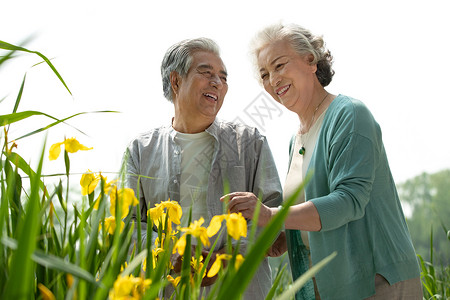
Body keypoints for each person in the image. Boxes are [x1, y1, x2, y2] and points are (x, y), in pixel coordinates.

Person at [223, 23, 422, 300]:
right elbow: (313, 212)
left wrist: (272, 215)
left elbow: (347, 201)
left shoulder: (349, 114)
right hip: (328, 285)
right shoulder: (297, 140)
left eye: (279, 65)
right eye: (265, 75)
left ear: (310, 61)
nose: (273, 79)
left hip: (377, 282)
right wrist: (284, 238)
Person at [124, 37, 282, 299]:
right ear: (176, 81)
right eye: (206, 73)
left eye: (223, 77)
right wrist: (169, 252)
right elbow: (127, 225)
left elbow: (274, 219)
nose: (217, 83)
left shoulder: (251, 143)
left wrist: (227, 257)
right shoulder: (141, 151)